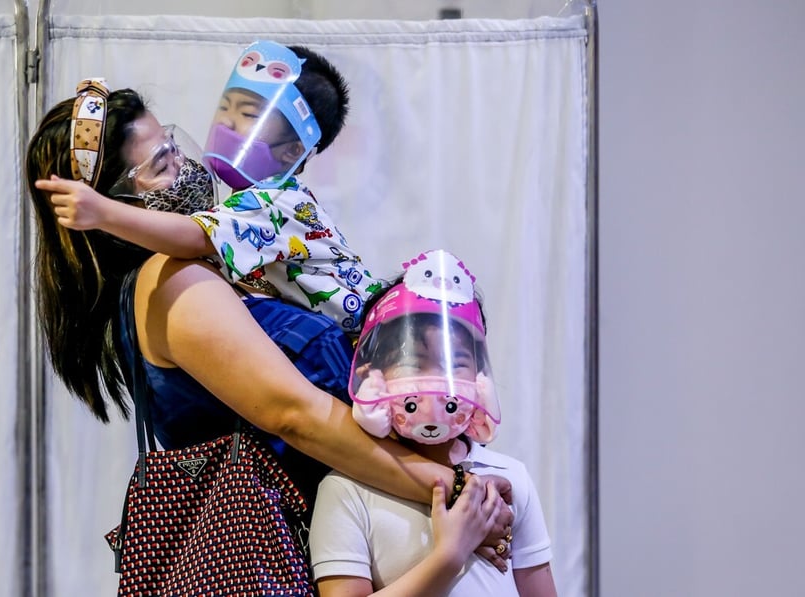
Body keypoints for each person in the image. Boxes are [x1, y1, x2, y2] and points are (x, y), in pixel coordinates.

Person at [26, 79, 515, 579]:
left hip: (325, 543)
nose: (183, 167)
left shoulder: (225, 265)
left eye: (172, 145)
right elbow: (295, 415)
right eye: (160, 165)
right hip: (269, 554)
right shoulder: (171, 281)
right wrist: (450, 488)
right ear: (104, 206)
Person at [39, 40, 384, 334]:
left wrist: (103, 212)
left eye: (249, 116)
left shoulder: (273, 202)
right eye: (227, 110)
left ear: (295, 150)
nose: (228, 126)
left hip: (375, 336)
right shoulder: (250, 205)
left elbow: (194, 236)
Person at [309, 249, 558, 596]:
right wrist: (449, 557)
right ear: (372, 375)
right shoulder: (347, 489)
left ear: (479, 377)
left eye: (455, 363)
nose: (436, 382)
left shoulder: (509, 481)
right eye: (414, 362)